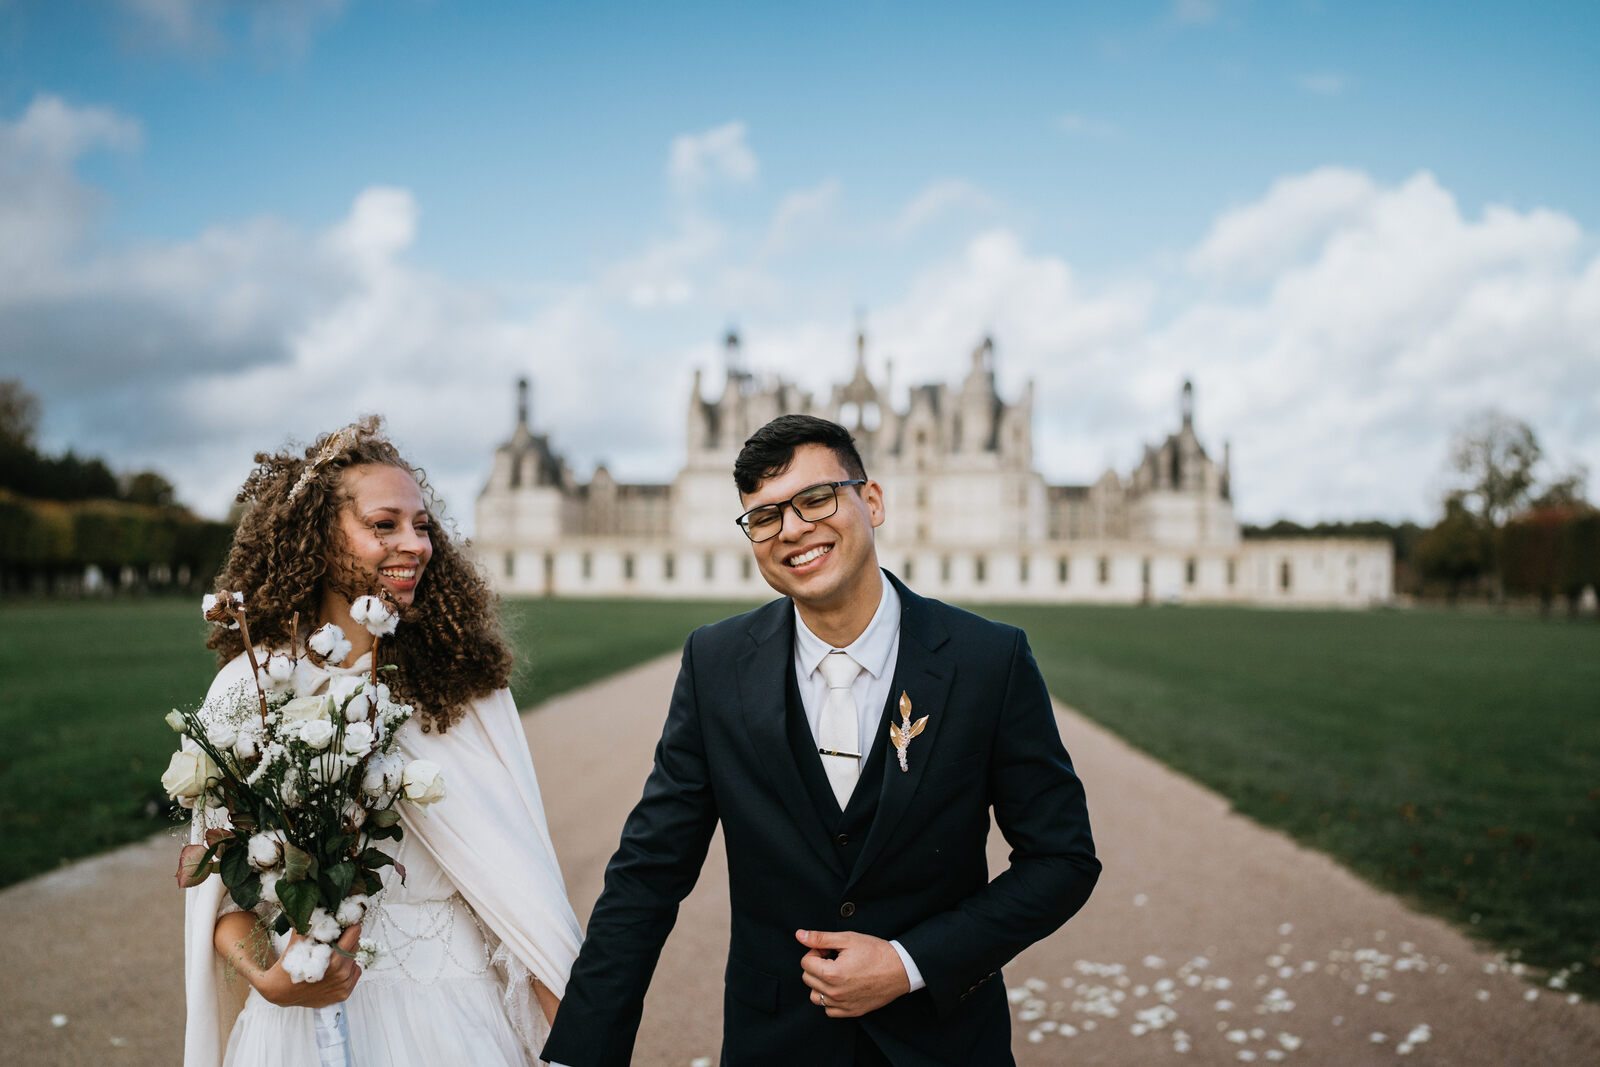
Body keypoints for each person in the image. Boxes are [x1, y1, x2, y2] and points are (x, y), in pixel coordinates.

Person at [543, 414, 1100, 1067]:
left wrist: (908, 961)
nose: (793, 529)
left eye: (815, 499)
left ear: (874, 501)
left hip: (943, 1045)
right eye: (765, 516)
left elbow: (1061, 858)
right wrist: (577, 1054)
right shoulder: (715, 664)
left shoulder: (989, 659)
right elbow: (648, 873)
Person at [182, 417, 582, 1067]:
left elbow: (522, 890)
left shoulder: (466, 690)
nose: (415, 543)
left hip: (456, 1021)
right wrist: (268, 975)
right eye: (384, 524)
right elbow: (223, 895)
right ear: (317, 538)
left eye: (423, 525)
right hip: (299, 1027)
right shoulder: (250, 688)